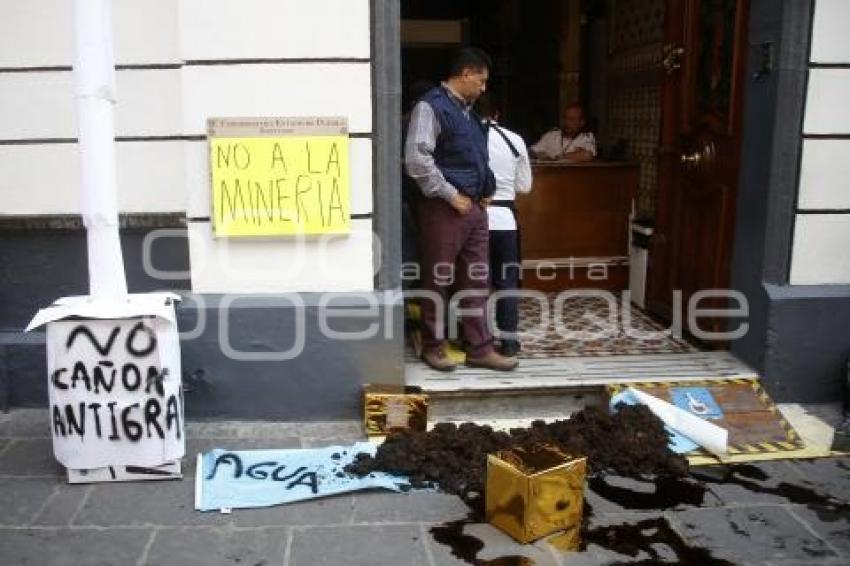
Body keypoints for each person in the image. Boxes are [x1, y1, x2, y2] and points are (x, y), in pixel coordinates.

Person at [404, 47, 518, 372]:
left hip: (474, 209)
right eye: (481, 81)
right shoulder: (431, 107)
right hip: (444, 208)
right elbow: (417, 160)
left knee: (477, 280)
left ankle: (479, 348)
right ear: (466, 73)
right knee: (437, 277)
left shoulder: (468, 112)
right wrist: (451, 195)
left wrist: (487, 190)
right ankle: (433, 346)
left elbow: (477, 158)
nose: (484, 88)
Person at [476, 94, 532, 357]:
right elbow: (525, 186)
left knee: (476, 281)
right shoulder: (515, 140)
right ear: (497, 113)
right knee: (507, 280)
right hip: (506, 221)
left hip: (475, 219)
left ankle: (477, 340)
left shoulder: (468, 140)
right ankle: (509, 341)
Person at [530, 103, 596, 162]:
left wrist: (559, 157)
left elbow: (588, 155)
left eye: (571, 119)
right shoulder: (552, 135)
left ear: (581, 123)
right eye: (565, 118)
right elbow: (532, 151)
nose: (566, 123)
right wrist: (538, 155)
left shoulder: (586, 137)